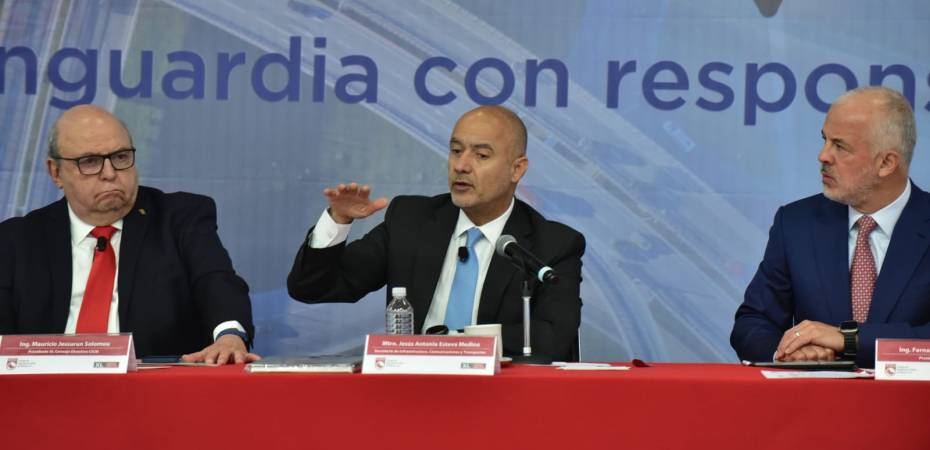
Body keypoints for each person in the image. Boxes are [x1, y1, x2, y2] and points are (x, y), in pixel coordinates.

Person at [287, 105, 585, 361]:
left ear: (517, 169)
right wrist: (338, 221)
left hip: (500, 395)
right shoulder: (410, 220)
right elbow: (312, 288)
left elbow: (552, 337)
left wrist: (456, 343)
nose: (461, 166)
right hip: (413, 390)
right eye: (456, 151)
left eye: (481, 155)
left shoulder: (553, 245)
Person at [0, 104, 259, 364]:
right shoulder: (17, 240)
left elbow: (215, 281)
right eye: (90, 162)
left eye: (121, 157)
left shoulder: (179, 219)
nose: (110, 173)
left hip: (153, 384)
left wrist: (229, 336)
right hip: (46, 384)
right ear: (56, 172)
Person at [731, 86, 928, 368]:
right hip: (817, 395)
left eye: (840, 146)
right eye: (825, 140)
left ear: (886, 163)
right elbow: (753, 321)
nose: (823, 156)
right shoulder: (796, 223)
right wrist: (786, 352)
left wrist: (849, 339)